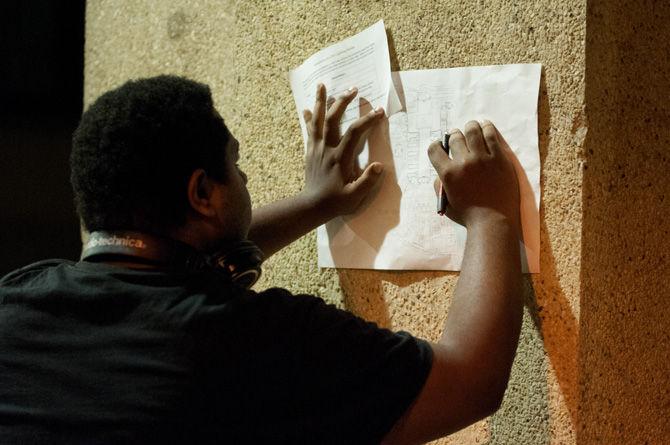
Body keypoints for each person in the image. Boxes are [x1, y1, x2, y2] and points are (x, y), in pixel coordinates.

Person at [0, 75, 522, 444]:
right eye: (235, 162)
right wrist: (490, 213)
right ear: (202, 193)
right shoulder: (249, 337)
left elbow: (173, 277)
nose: (246, 179)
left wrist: (316, 203)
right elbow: (467, 383)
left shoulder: (18, 301)